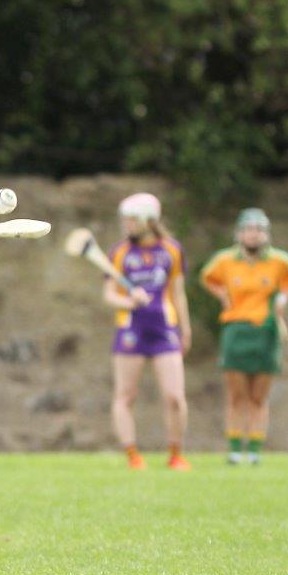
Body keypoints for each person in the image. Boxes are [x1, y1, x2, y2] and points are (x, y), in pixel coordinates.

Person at [200, 208, 288, 465]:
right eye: (249, 229)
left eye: (259, 230)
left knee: (258, 396)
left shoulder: (278, 261)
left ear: (266, 235)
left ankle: (255, 452)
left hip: (266, 330)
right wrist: (222, 296)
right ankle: (235, 450)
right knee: (236, 395)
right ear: (239, 234)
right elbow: (208, 278)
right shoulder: (225, 260)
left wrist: (283, 297)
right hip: (236, 329)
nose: (253, 235)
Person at [103, 193, 192, 471]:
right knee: (125, 396)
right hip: (130, 330)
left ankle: (175, 454)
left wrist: (184, 328)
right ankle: (133, 456)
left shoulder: (171, 251)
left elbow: (178, 292)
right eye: (125, 219)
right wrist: (129, 301)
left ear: (148, 220)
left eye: (131, 219)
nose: (126, 225)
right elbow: (108, 295)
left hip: (164, 329)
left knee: (175, 397)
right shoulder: (119, 253)